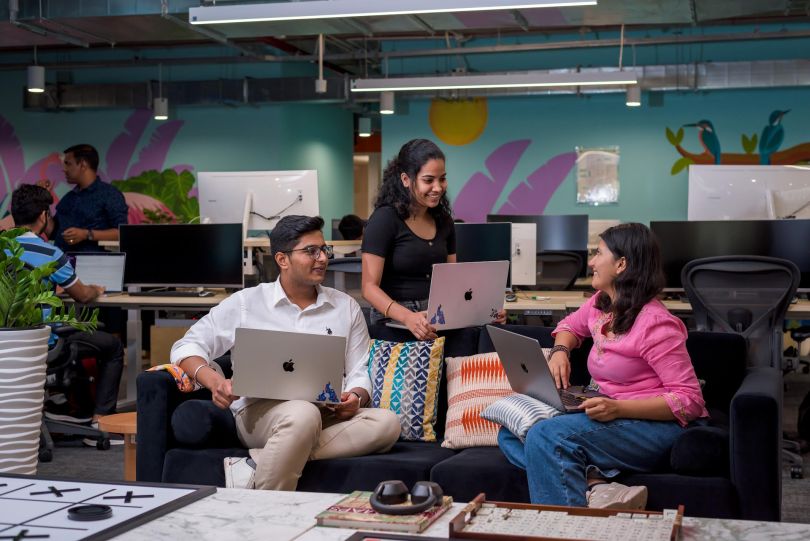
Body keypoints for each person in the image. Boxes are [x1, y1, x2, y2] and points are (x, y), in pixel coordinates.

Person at [171, 215, 401, 491]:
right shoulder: (246, 303)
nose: (322, 258)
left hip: (325, 412)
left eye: (324, 249)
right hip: (259, 413)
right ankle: (267, 507)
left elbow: (358, 370)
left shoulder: (346, 306)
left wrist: (355, 397)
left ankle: (259, 463)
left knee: (387, 423)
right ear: (282, 259)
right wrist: (215, 381)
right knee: (303, 414)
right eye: (311, 251)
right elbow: (186, 346)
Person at [497, 223, 708, 510]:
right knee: (511, 429)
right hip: (608, 413)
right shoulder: (602, 304)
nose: (591, 262)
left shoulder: (656, 324)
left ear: (621, 264)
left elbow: (690, 400)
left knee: (544, 436)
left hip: (653, 426)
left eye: (598, 254)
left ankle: (562, 527)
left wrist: (618, 409)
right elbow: (569, 326)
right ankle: (596, 485)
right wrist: (560, 351)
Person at [361, 138, 504, 340]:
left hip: (437, 315)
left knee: (477, 341)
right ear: (406, 179)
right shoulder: (384, 219)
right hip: (394, 319)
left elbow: (453, 281)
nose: (437, 187)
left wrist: (487, 310)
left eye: (442, 179)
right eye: (428, 180)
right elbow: (368, 288)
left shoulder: (444, 221)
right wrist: (407, 317)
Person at [10, 184, 124, 431]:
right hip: (43, 343)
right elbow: (82, 296)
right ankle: (100, 422)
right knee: (112, 346)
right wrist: (96, 289)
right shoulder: (50, 253)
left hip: (6, 344)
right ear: (44, 216)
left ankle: (71, 407)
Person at [38, 144, 129, 253]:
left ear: (83, 165)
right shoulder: (69, 198)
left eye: (68, 164)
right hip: (63, 261)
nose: (64, 169)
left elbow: (122, 233)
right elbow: (53, 234)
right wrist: (42, 200)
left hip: (96, 262)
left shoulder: (110, 194)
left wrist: (87, 234)